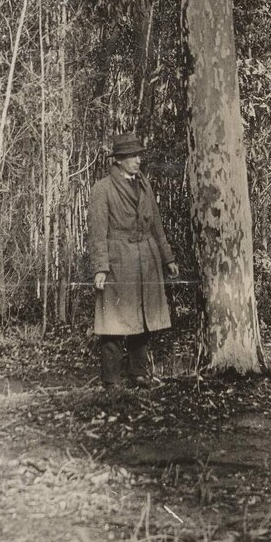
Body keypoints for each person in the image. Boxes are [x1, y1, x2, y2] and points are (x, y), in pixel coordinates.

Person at [88, 130, 179, 390]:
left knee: (143, 318)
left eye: (139, 155)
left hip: (146, 259)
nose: (138, 160)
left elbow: (157, 224)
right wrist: (100, 268)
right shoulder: (102, 189)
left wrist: (167, 257)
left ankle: (138, 374)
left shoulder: (144, 184)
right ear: (117, 160)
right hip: (118, 260)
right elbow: (97, 232)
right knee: (113, 321)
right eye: (131, 156)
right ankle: (111, 379)